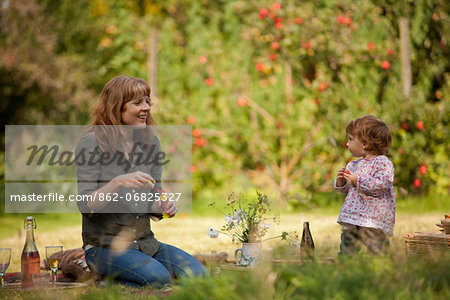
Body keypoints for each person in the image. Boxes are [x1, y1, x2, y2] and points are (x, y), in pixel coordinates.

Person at [75, 75, 208, 288]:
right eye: (138, 103)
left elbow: (155, 195)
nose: (146, 108)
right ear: (117, 108)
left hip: (146, 244)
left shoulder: (150, 143)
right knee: (159, 277)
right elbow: (86, 204)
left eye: (147, 101)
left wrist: (163, 207)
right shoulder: (92, 143)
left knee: (200, 276)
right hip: (104, 248)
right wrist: (118, 182)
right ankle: (106, 287)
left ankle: (116, 284)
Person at [334, 115, 395, 255]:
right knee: (347, 248)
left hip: (373, 220)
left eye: (350, 139)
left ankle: (378, 271)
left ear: (366, 144)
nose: (347, 144)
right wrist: (341, 183)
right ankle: (346, 270)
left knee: (377, 250)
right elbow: (348, 190)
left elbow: (381, 185)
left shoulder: (383, 163)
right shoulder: (353, 164)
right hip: (353, 217)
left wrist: (358, 181)